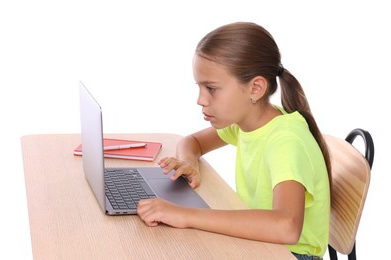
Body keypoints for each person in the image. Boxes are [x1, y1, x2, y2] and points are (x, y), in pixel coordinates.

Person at [137, 22, 331, 260]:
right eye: (199, 87)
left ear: (255, 88)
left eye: (211, 88)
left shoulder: (285, 141)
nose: (200, 99)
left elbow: (287, 227)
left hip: (290, 254)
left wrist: (185, 215)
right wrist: (189, 163)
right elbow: (192, 142)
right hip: (265, 244)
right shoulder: (247, 122)